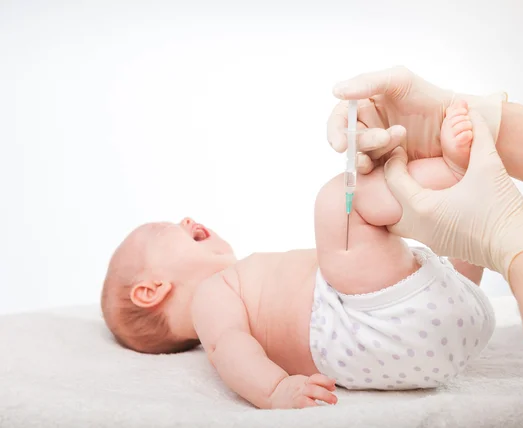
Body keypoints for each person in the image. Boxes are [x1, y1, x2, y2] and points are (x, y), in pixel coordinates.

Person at [101, 101, 493, 409]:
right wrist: (274, 391)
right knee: (338, 203)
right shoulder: (210, 296)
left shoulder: (238, 289)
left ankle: (467, 226)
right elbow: (229, 349)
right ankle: (455, 173)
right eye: (166, 229)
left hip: (430, 336)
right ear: (150, 291)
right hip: (359, 324)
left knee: (414, 248)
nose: (186, 220)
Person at [326, 60, 523, 427]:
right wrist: (488, 122)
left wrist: (512, 240)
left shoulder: (228, 287)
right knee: (341, 203)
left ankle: (457, 172)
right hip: (384, 331)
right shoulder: (224, 295)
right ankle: (456, 172)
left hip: (413, 331)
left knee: (345, 201)